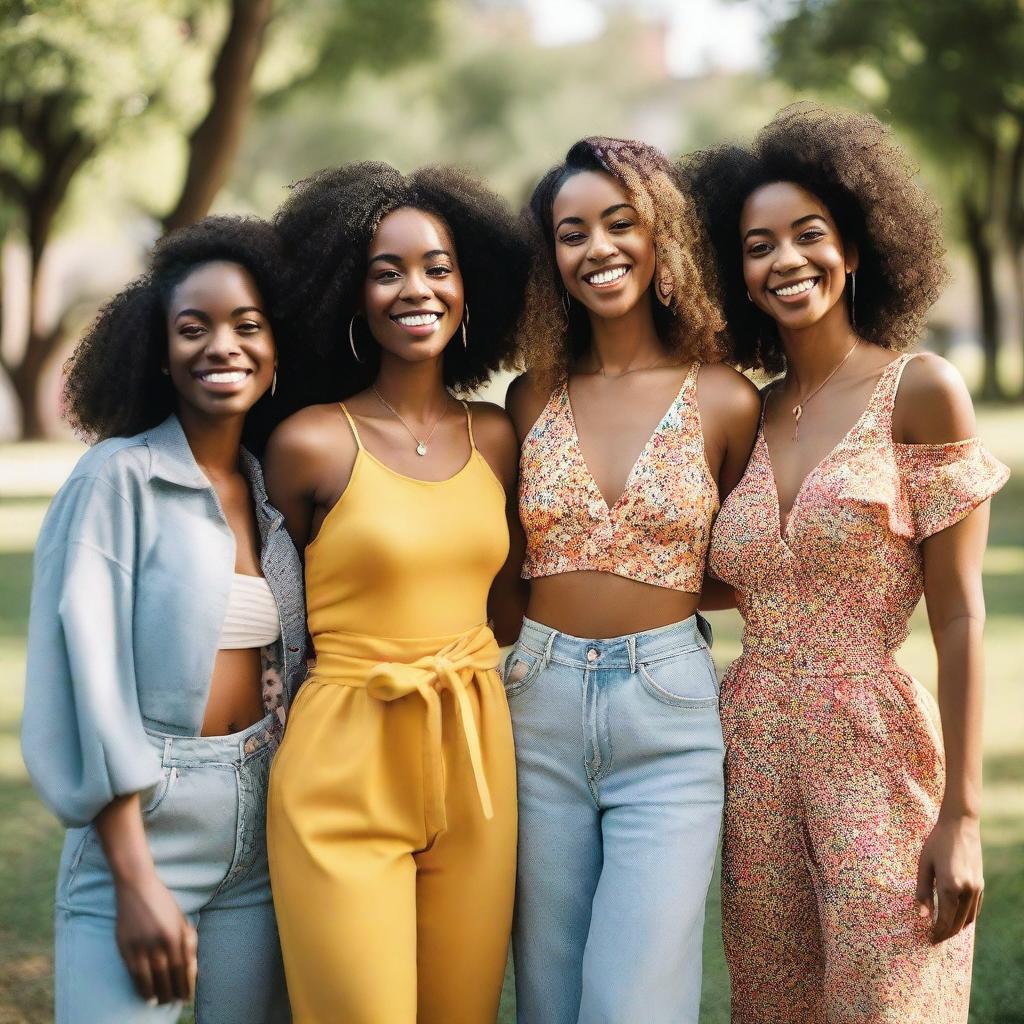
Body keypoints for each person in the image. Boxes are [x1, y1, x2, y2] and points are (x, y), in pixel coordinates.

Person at [684, 102, 1009, 1023]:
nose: (786, 260)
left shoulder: (920, 390)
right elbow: (728, 573)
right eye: (758, 245)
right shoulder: (747, 413)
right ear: (736, 273)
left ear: (856, 249)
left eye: (809, 235)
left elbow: (960, 615)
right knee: (774, 1004)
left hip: (872, 739)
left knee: (888, 999)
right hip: (751, 744)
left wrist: (963, 817)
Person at [263, 162, 529, 1023]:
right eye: (387, 270)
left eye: (438, 267)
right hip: (345, 753)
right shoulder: (310, 444)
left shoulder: (496, 435)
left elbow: (510, 601)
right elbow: (275, 608)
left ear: (469, 286)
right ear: (350, 291)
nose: (417, 289)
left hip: (476, 754)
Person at [21, 217, 306, 1023]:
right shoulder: (116, 480)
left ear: (277, 350)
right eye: (195, 328)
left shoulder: (268, 493)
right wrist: (136, 878)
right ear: (159, 350)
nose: (224, 345)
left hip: (260, 822)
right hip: (147, 823)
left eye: (248, 327)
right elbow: (87, 680)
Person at [505, 136, 760, 1023]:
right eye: (572, 233)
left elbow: (749, 556)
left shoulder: (726, 398)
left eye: (621, 223)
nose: (598, 248)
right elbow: (504, 565)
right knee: (549, 988)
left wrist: (672, 587)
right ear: (552, 259)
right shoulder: (532, 397)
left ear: (662, 240)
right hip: (536, 700)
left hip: (669, 713)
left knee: (635, 996)